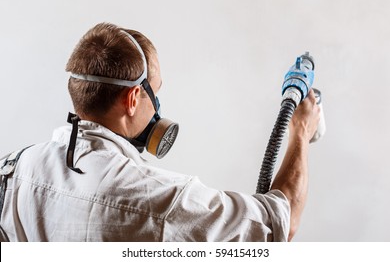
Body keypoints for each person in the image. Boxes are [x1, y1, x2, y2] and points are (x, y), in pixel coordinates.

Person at [0, 22, 320, 241]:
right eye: (156, 92)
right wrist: (301, 129)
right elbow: (280, 223)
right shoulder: (160, 201)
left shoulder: (16, 169)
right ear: (133, 98)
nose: (158, 109)